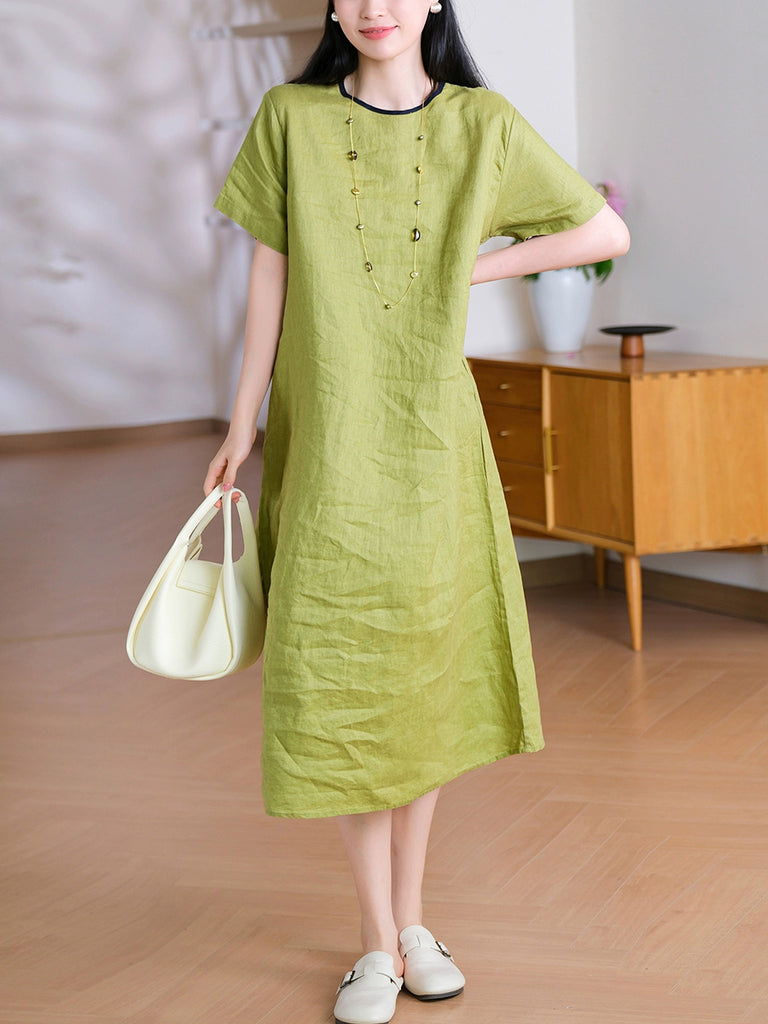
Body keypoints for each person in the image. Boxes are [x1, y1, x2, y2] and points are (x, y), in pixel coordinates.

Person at [204, 2, 629, 1022]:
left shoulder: (482, 124)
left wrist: (470, 264)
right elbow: (269, 269)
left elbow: (603, 230)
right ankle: (376, 942)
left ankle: (411, 921)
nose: (375, 7)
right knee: (343, 667)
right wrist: (240, 420)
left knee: (419, 678)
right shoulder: (291, 118)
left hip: (432, 445)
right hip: (327, 441)